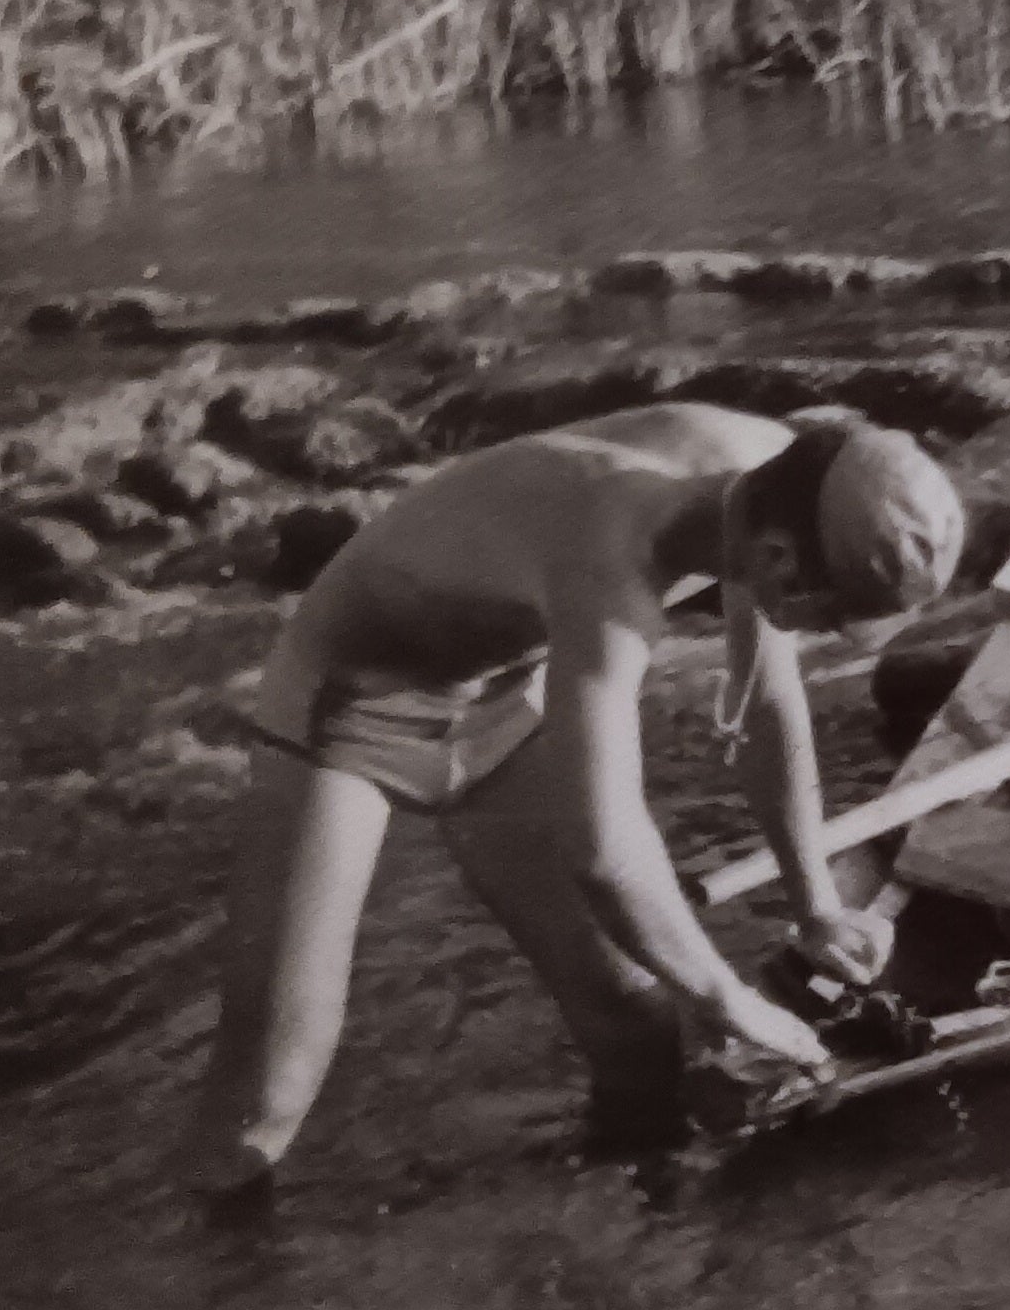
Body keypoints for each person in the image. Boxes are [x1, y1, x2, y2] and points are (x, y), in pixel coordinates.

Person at [182, 404, 967, 1194]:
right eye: (829, 613)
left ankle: (643, 1234)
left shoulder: (777, 476)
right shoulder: (615, 554)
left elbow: (769, 707)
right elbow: (603, 846)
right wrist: (730, 998)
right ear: (778, 557)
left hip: (491, 699)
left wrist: (816, 905)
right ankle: (210, 1276)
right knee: (272, 1088)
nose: (823, 630)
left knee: (634, 1018)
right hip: (343, 712)